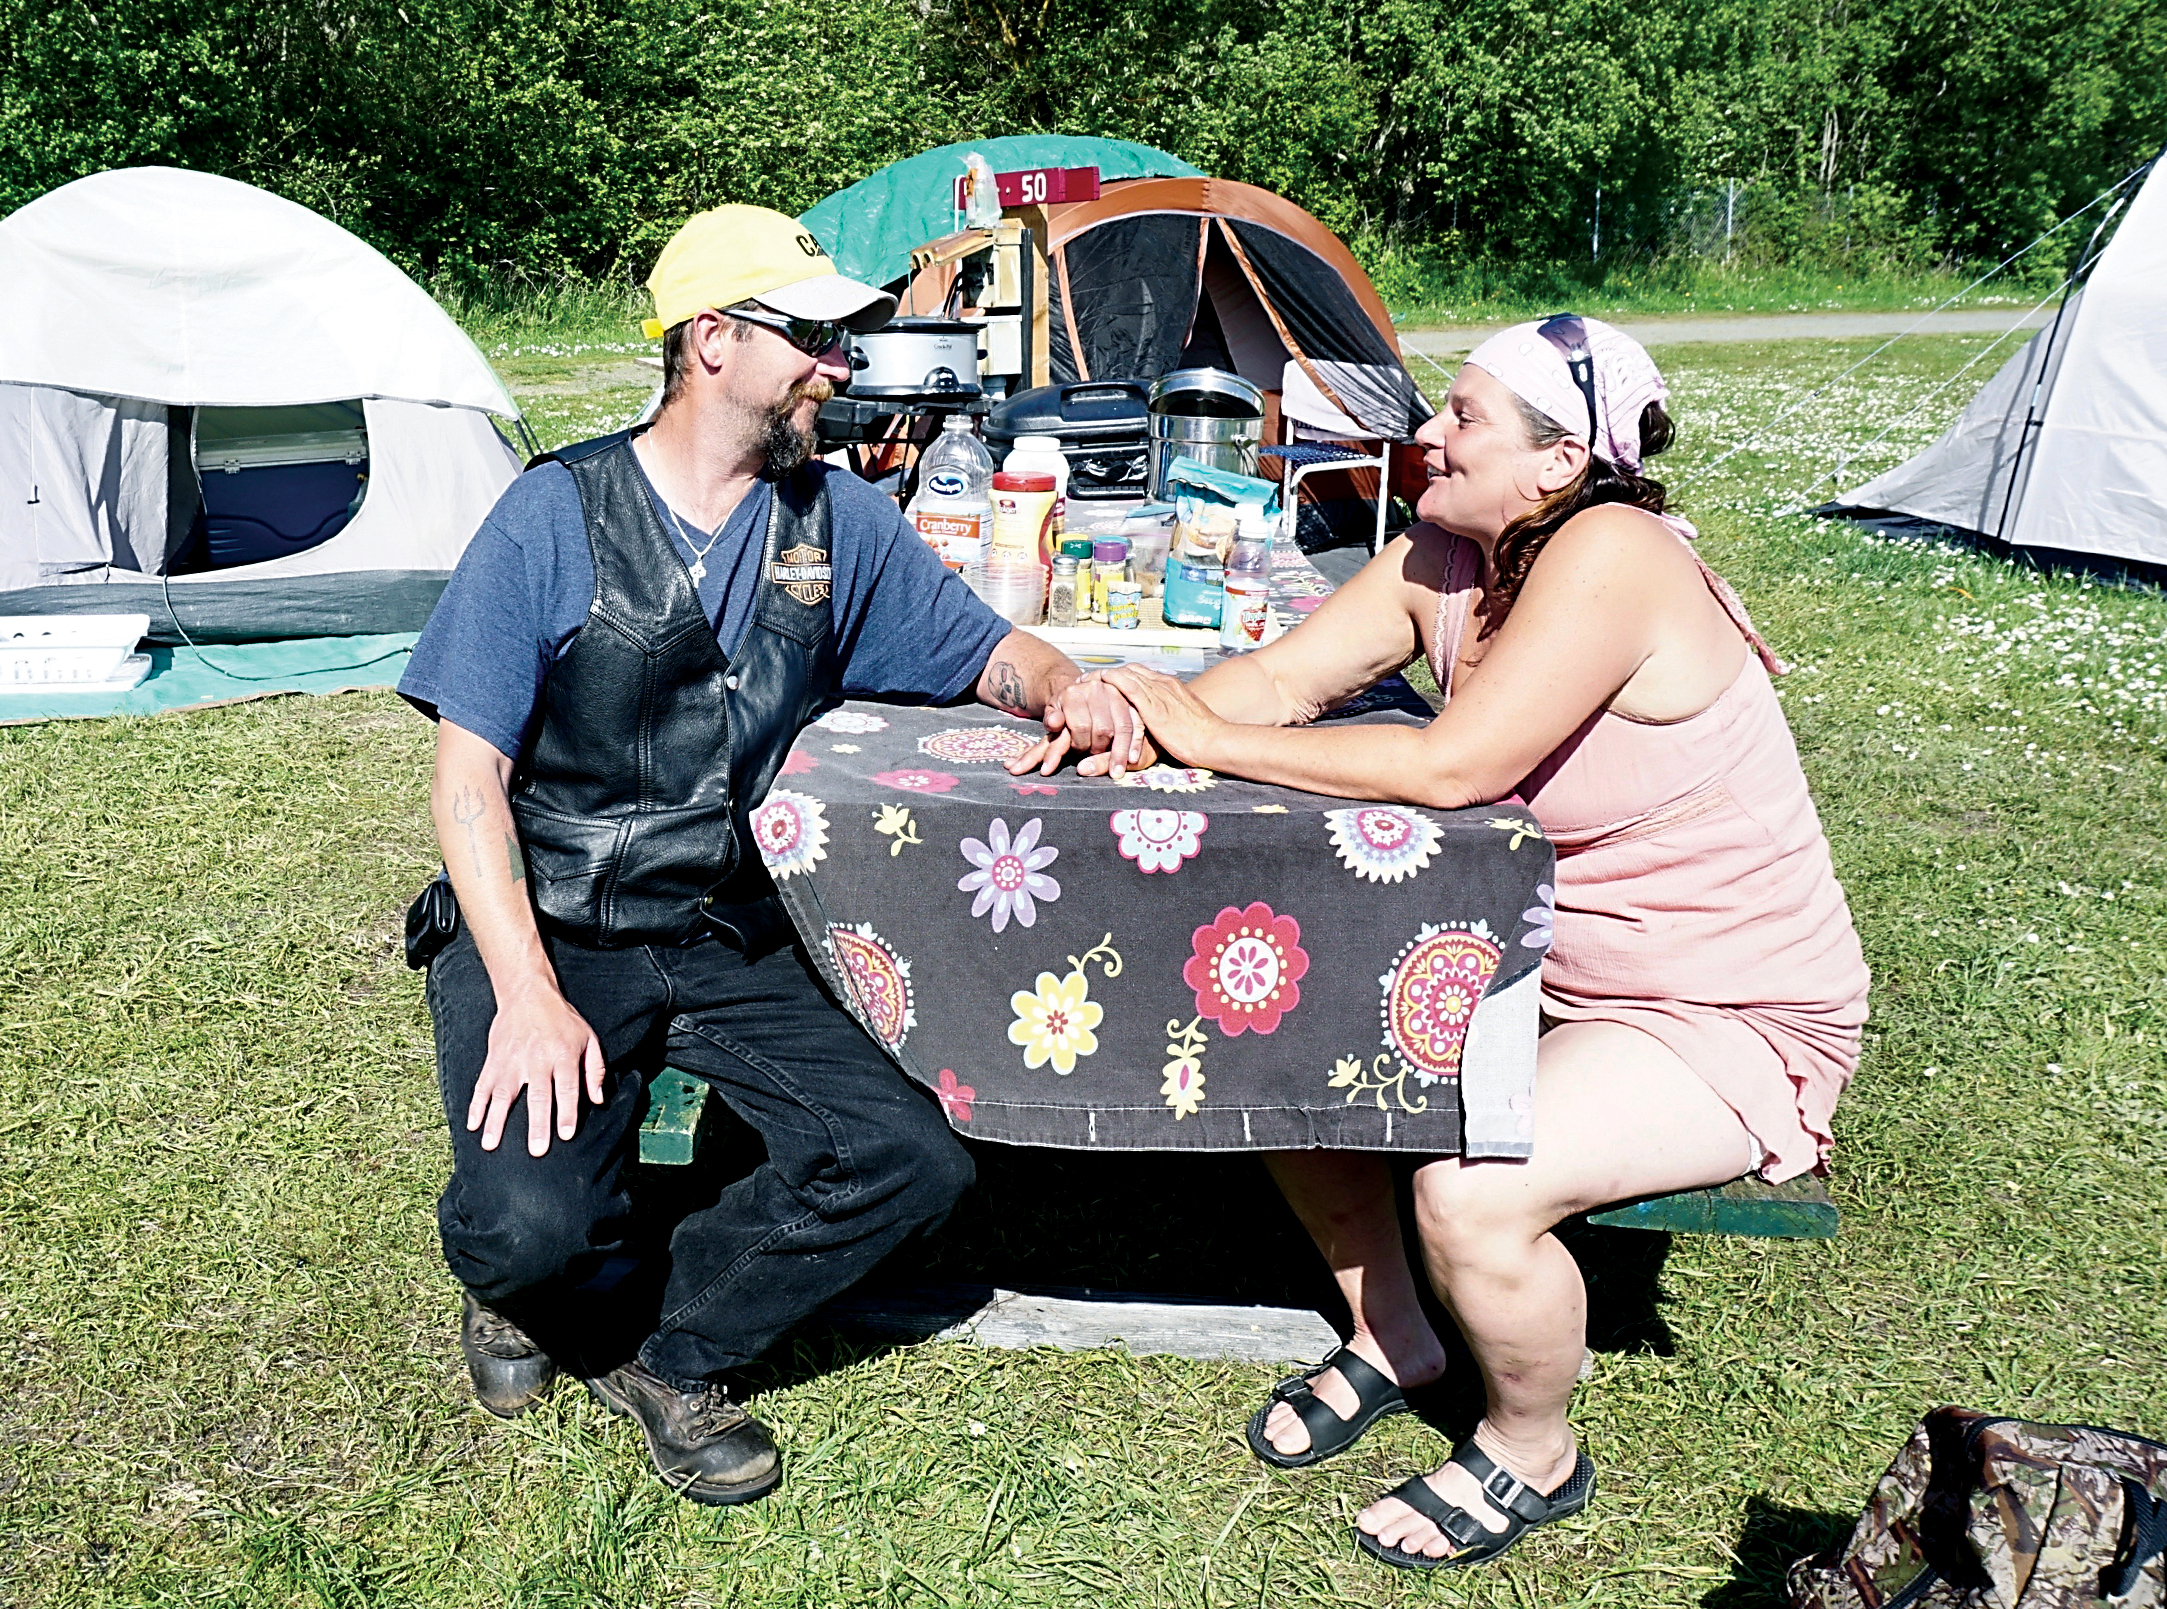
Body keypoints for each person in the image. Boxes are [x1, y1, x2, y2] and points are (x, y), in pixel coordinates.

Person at [397, 204, 1142, 1508]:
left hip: (722, 925)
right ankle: (515, 1292)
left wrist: (1064, 680)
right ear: (712, 342)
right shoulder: (550, 516)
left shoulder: (835, 521)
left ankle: (672, 1352)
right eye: (812, 339)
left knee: (907, 1165)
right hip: (553, 919)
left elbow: (982, 650)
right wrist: (523, 992)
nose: (838, 368)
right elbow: (469, 777)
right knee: (523, 1225)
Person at [1099, 317, 1869, 1570]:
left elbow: (1453, 766)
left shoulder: (1614, 553)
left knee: (1473, 1191)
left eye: (1464, 419)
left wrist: (1205, 738)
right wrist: (1132, 713)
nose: (1424, 434)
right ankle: (1389, 1330)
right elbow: (1285, 681)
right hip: (1540, 961)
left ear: (1559, 463)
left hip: (1716, 1008)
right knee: (1279, 1024)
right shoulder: (1451, 549)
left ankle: (1529, 1449)